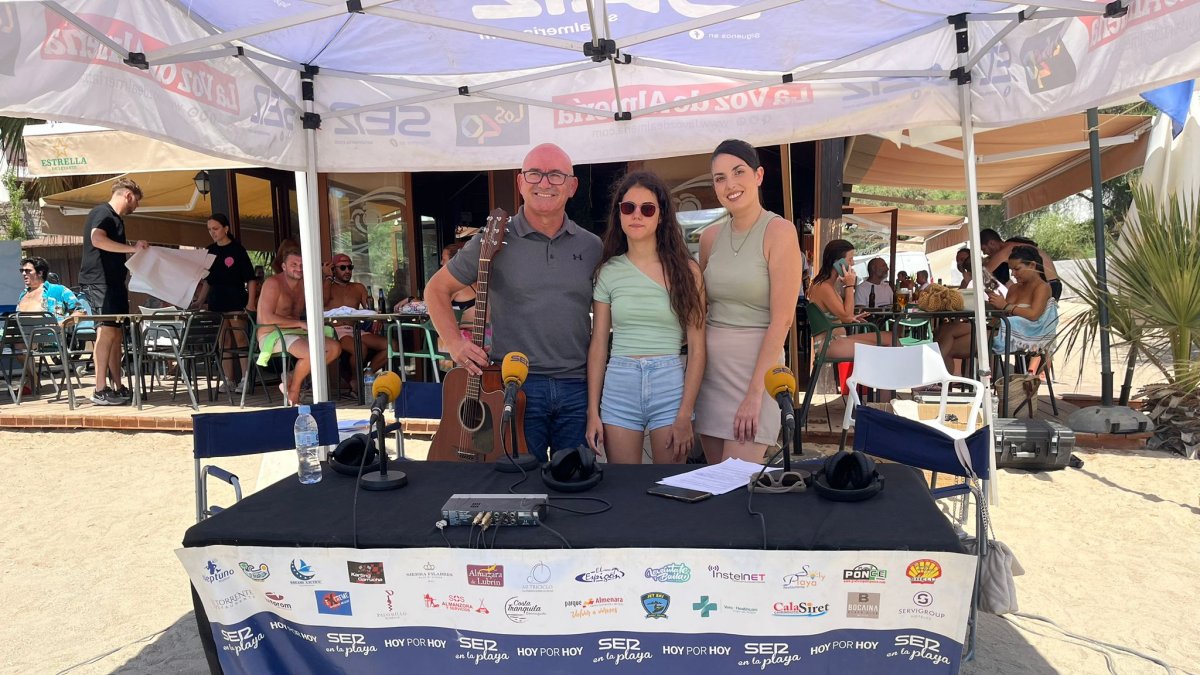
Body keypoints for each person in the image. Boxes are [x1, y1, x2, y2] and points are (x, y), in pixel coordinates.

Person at [426, 143, 602, 463]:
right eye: (534, 174)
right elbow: (436, 289)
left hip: (577, 389)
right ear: (521, 182)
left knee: (576, 483)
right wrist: (454, 343)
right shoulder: (493, 239)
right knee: (519, 485)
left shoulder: (592, 247)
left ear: (572, 186)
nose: (544, 183)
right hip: (514, 388)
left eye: (556, 175)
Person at [584, 171, 706, 465]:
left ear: (661, 216)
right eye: (628, 208)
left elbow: (698, 348)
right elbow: (599, 344)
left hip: (669, 382)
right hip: (620, 382)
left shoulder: (687, 272)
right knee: (625, 484)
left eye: (647, 209)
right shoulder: (608, 271)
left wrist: (685, 413)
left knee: (668, 484)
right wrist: (592, 411)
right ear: (619, 214)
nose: (636, 215)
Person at [695, 139, 803, 464]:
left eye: (738, 172)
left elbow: (782, 320)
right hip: (711, 374)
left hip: (757, 372)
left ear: (758, 175)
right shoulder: (709, 238)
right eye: (720, 178)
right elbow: (702, 309)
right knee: (713, 483)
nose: (730, 184)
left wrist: (755, 394)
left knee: (736, 482)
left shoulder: (780, 232)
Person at [78, 178, 148, 406]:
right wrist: (131, 249)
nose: (136, 206)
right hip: (100, 283)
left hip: (115, 283)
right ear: (128, 195)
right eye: (136, 201)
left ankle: (117, 385)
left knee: (116, 334)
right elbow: (97, 239)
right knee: (106, 332)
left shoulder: (116, 219)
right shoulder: (103, 212)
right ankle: (99, 389)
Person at [935, 245, 1058, 372]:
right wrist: (995, 303)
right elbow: (1005, 312)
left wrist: (1005, 306)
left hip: (1012, 335)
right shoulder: (1014, 288)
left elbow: (1034, 315)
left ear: (1032, 265)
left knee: (948, 348)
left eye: (1017, 269)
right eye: (1011, 270)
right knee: (945, 329)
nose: (1013, 274)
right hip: (998, 328)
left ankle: (936, 376)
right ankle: (938, 377)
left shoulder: (1042, 287)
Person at [256, 247, 342, 406]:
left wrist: (327, 277)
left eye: (302, 265)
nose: (299, 268)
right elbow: (266, 318)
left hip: (297, 332)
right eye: (294, 265)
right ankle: (294, 392)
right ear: (284, 266)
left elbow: (322, 301)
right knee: (311, 353)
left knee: (334, 348)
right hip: (272, 333)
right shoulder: (273, 283)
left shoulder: (304, 284)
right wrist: (299, 323)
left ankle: (291, 377)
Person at [807, 239, 894, 360]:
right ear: (838, 262)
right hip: (829, 343)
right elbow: (846, 317)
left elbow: (844, 315)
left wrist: (852, 316)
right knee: (883, 350)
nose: (852, 263)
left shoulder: (828, 285)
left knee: (890, 337)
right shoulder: (824, 287)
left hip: (838, 339)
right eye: (850, 259)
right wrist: (849, 285)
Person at [200, 214, 256, 393]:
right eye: (209, 229)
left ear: (226, 229)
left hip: (236, 299)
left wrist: (251, 302)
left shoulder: (238, 250)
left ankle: (245, 378)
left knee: (240, 338)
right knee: (223, 340)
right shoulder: (209, 251)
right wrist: (200, 300)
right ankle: (228, 379)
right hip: (217, 301)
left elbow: (251, 278)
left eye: (215, 228)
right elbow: (207, 280)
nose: (212, 233)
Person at [322, 252, 389, 389]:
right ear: (333, 269)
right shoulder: (327, 286)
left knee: (391, 346)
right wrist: (328, 277)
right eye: (342, 268)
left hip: (355, 330)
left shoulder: (358, 287)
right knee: (360, 348)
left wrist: (377, 318)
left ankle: (364, 376)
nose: (347, 271)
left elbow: (369, 309)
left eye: (350, 267)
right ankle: (355, 380)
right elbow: (322, 302)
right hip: (335, 330)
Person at [980, 229, 1062, 299]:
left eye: (984, 249)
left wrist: (992, 291)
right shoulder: (1011, 246)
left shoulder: (1005, 251)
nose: (984, 253)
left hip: (1048, 285)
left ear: (992, 243)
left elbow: (982, 273)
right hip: (1049, 284)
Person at [18, 256, 83, 321]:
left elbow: (81, 312)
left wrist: (62, 324)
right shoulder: (23, 295)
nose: (23, 273)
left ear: (40, 273)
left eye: (27, 271)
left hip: (50, 327)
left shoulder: (59, 290)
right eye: (22, 270)